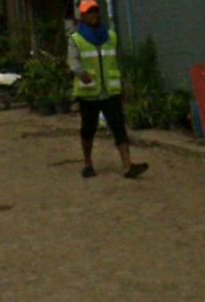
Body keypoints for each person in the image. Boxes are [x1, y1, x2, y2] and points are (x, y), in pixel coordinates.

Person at [68, 0, 148, 179]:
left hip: (110, 92)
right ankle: (88, 163)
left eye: (96, 11)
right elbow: (73, 62)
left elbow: (117, 61)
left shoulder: (111, 36)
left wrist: (122, 84)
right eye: (90, 12)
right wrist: (81, 74)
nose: (94, 15)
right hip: (89, 94)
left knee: (119, 127)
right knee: (88, 130)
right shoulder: (76, 39)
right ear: (83, 16)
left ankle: (128, 165)